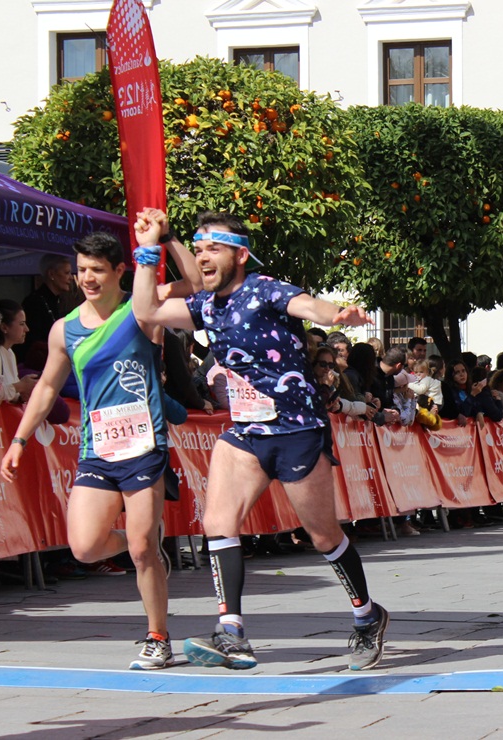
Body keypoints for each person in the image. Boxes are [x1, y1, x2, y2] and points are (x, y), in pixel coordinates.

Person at [130, 210, 389, 672]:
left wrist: (339, 314)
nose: (204, 256)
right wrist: (153, 247)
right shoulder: (205, 305)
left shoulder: (264, 288)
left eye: (214, 248)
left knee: (323, 535)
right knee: (218, 522)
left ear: (241, 254)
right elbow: (146, 310)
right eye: (199, 248)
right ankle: (231, 632)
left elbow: (311, 307)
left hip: (296, 431)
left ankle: (367, 617)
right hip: (246, 432)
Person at [0, 220, 201, 670]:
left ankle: (158, 636)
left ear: (119, 272)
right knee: (85, 548)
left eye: (97, 270)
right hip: (97, 450)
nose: (87, 278)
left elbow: (197, 284)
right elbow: (48, 388)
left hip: (143, 447)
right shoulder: (63, 329)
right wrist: (19, 440)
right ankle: (140, 542)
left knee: (142, 551)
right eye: (81, 270)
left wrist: (167, 239)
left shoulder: (143, 311)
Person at [0, 300, 38, 405]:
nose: (27, 329)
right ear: (4, 327)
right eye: (22, 324)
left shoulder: (10, 353)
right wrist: (20, 386)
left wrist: (22, 396)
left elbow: (9, 394)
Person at [19, 253, 75, 361]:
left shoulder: (54, 301)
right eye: (67, 273)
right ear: (51, 274)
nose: (71, 278)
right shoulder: (34, 302)